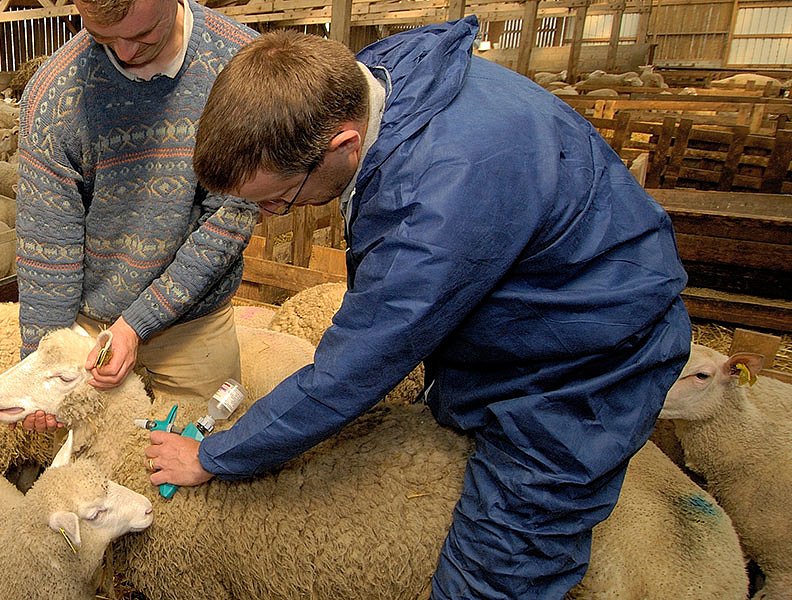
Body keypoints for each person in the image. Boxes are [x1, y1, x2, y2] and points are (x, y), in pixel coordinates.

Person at [147, 22, 692, 599]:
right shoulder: (385, 82)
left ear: (343, 145)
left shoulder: (431, 208)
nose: (272, 215)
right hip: (540, 307)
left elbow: (351, 372)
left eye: (279, 199)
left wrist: (215, 456)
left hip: (581, 364)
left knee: (499, 564)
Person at [14, 0, 260, 422]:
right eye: (102, 36)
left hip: (192, 320)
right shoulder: (55, 94)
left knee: (202, 440)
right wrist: (40, 360)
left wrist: (137, 323)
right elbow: (48, 246)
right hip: (90, 323)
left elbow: (228, 219)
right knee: (90, 452)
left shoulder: (242, 70)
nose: (124, 52)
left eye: (143, 34)